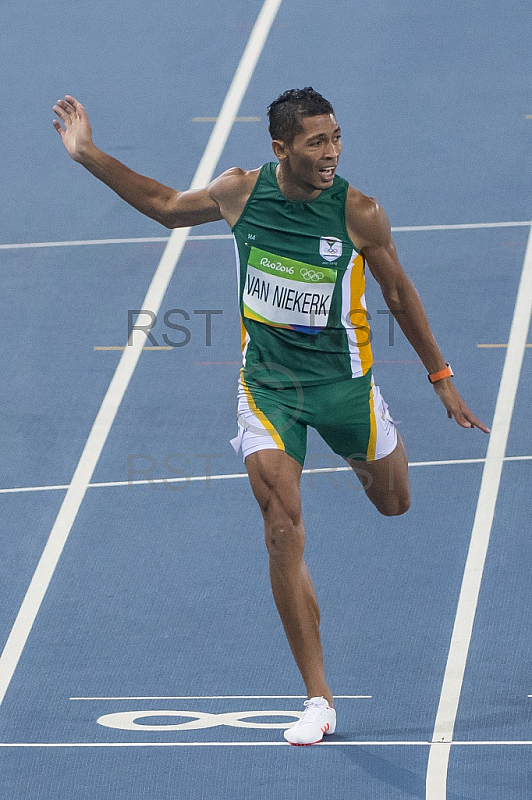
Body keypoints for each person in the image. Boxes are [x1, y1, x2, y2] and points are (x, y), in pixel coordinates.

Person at [53, 87, 489, 746]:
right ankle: (318, 697)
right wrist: (86, 152)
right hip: (269, 388)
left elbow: (397, 292)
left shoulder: (360, 213)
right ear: (280, 148)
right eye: (317, 142)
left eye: (336, 137)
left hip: (346, 389)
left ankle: (378, 436)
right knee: (282, 523)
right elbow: (166, 206)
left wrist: (443, 380)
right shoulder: (239, 192)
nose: (331, 152)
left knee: (395, 504)